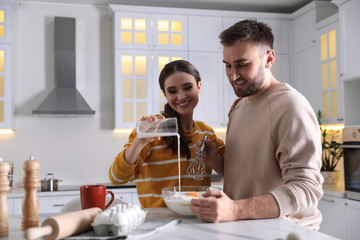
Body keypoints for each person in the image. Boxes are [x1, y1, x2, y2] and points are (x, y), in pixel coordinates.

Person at [190, 19, 323, 230]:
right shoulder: (238, 108)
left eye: (242, 64)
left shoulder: (291, 106)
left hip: (283, 232)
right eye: (228, 66)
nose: (233, 75)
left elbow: (306, 188)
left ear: (269, 59)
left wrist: (235, 210)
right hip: (245, 230)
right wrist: (217, 161)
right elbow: (251, 177)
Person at [109, 60, 225, 208]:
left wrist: (214, 160)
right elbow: (116, 178)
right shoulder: (152, 130)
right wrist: (139, 142)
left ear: (199, 86)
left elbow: (234, 172)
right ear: (165, 94)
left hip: (198, 219)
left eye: (187, 87)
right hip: (158, 222)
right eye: (172, 91)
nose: (181, 96)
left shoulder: (206, 133)